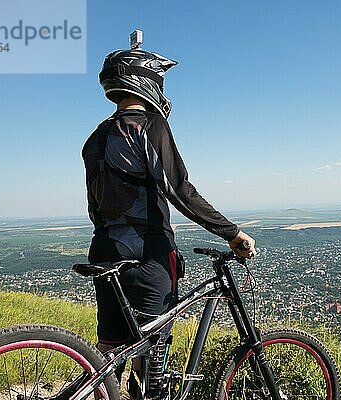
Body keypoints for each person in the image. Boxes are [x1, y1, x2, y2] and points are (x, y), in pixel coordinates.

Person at [82, 41, 256, 399]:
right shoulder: (148, 125)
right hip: (148, 255)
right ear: (145, 80)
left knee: (110, 356)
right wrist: (232, 233)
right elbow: (179, 188)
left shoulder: (95, 138)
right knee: (152, 362)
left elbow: (94, 205)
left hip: (103, 251)